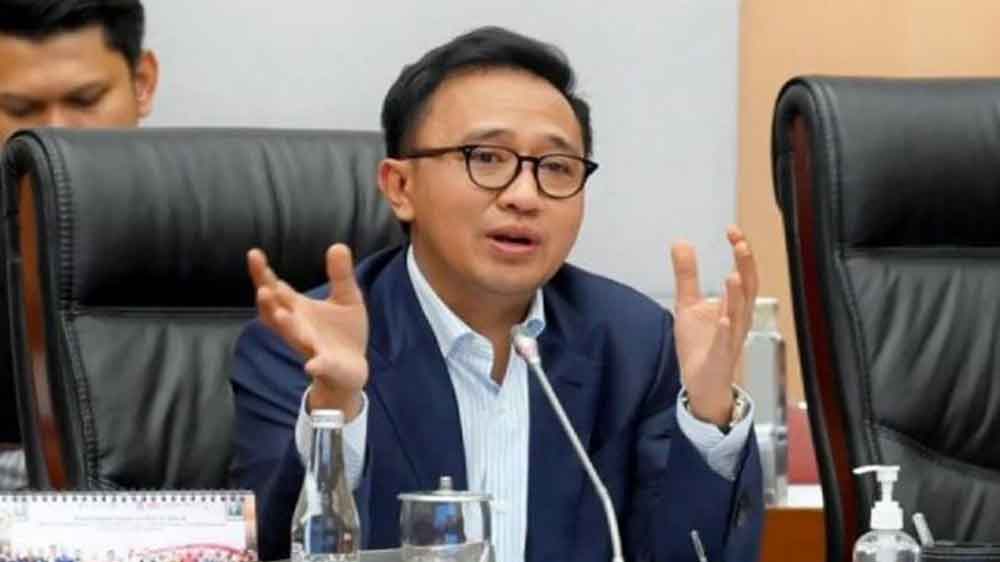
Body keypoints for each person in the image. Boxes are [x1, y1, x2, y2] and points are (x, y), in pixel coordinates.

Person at [231, 26, 763, 562]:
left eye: (556, 167)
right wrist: (336, 407)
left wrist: (707, 414)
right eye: (486, 158)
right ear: (400, 186)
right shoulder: (303, 350)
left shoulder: (637, 344)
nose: (525, 196)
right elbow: (270, 549)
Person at [0, 0, 159, 490]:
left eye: (86, 100)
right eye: (20, 110)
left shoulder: (225, 231)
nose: (55, 132)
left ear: (142, 83)